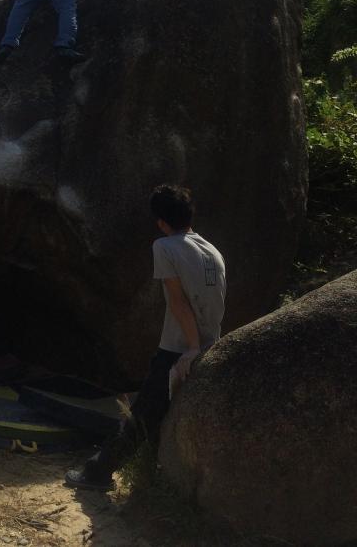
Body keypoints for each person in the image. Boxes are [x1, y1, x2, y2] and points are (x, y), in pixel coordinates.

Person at [65, 184, 226, 491]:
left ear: (162, 222)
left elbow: (177, 302)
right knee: (160, 415)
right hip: (211, 346)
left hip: (179, 349)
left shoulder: (165, 247)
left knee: (141, 416)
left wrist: (191, 347)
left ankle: (97, 473)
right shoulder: (213, 251)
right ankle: (149, 474)